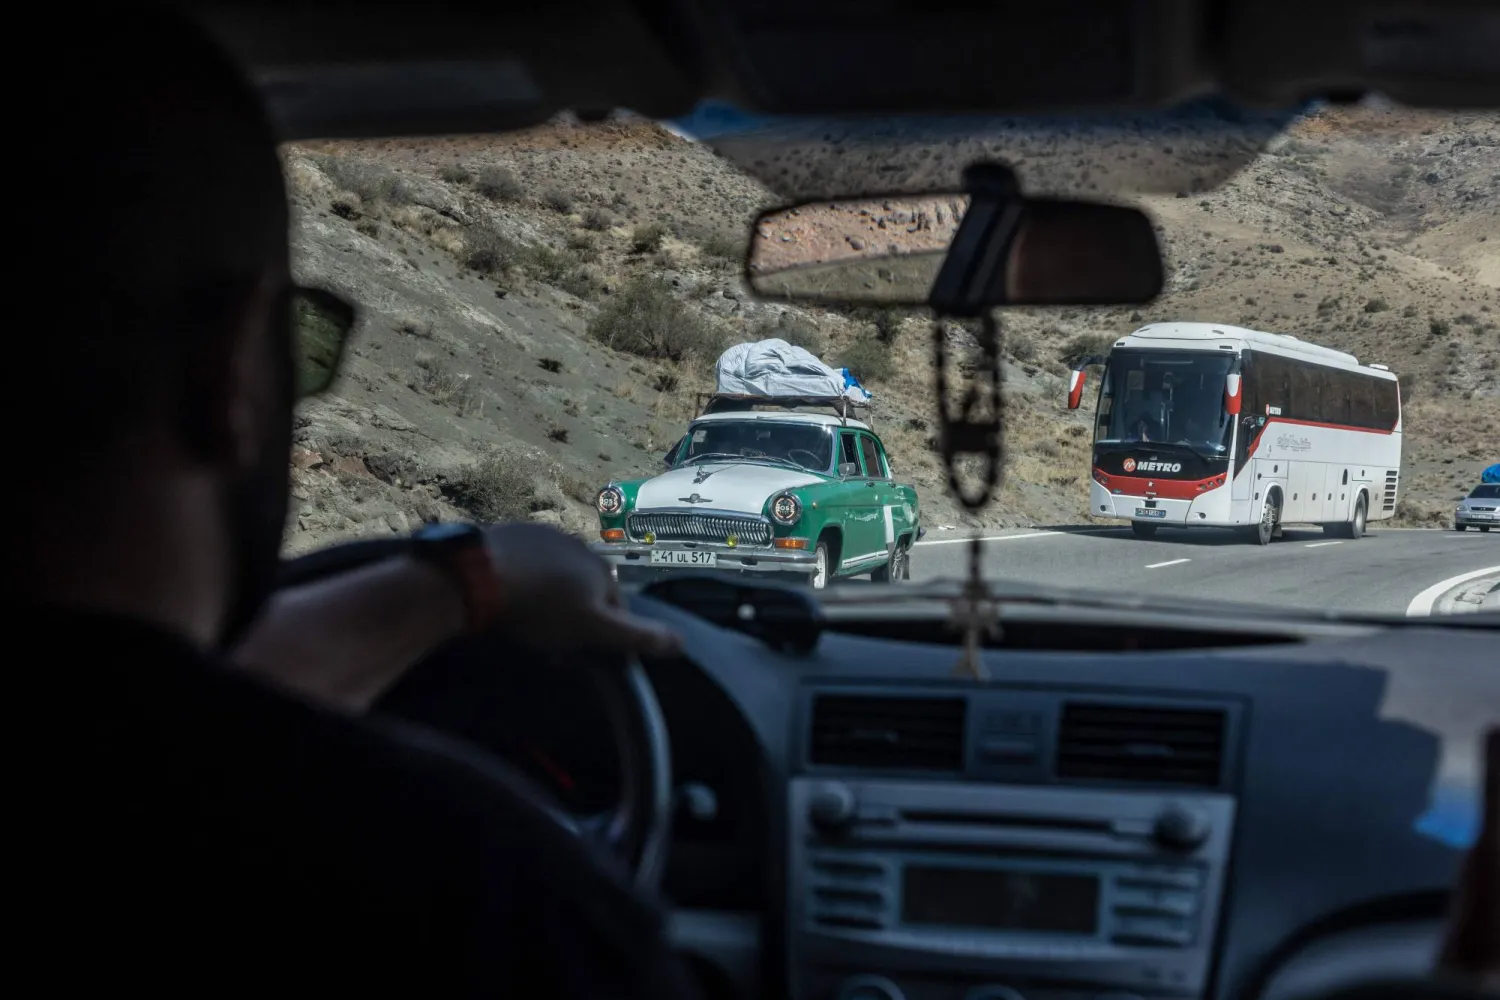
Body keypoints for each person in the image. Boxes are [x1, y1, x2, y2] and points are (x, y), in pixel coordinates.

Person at [18, 6, 693, 997]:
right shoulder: (493, 905)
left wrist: (458, 582)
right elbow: (160, 732)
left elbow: (115, 722)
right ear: (235, 371)